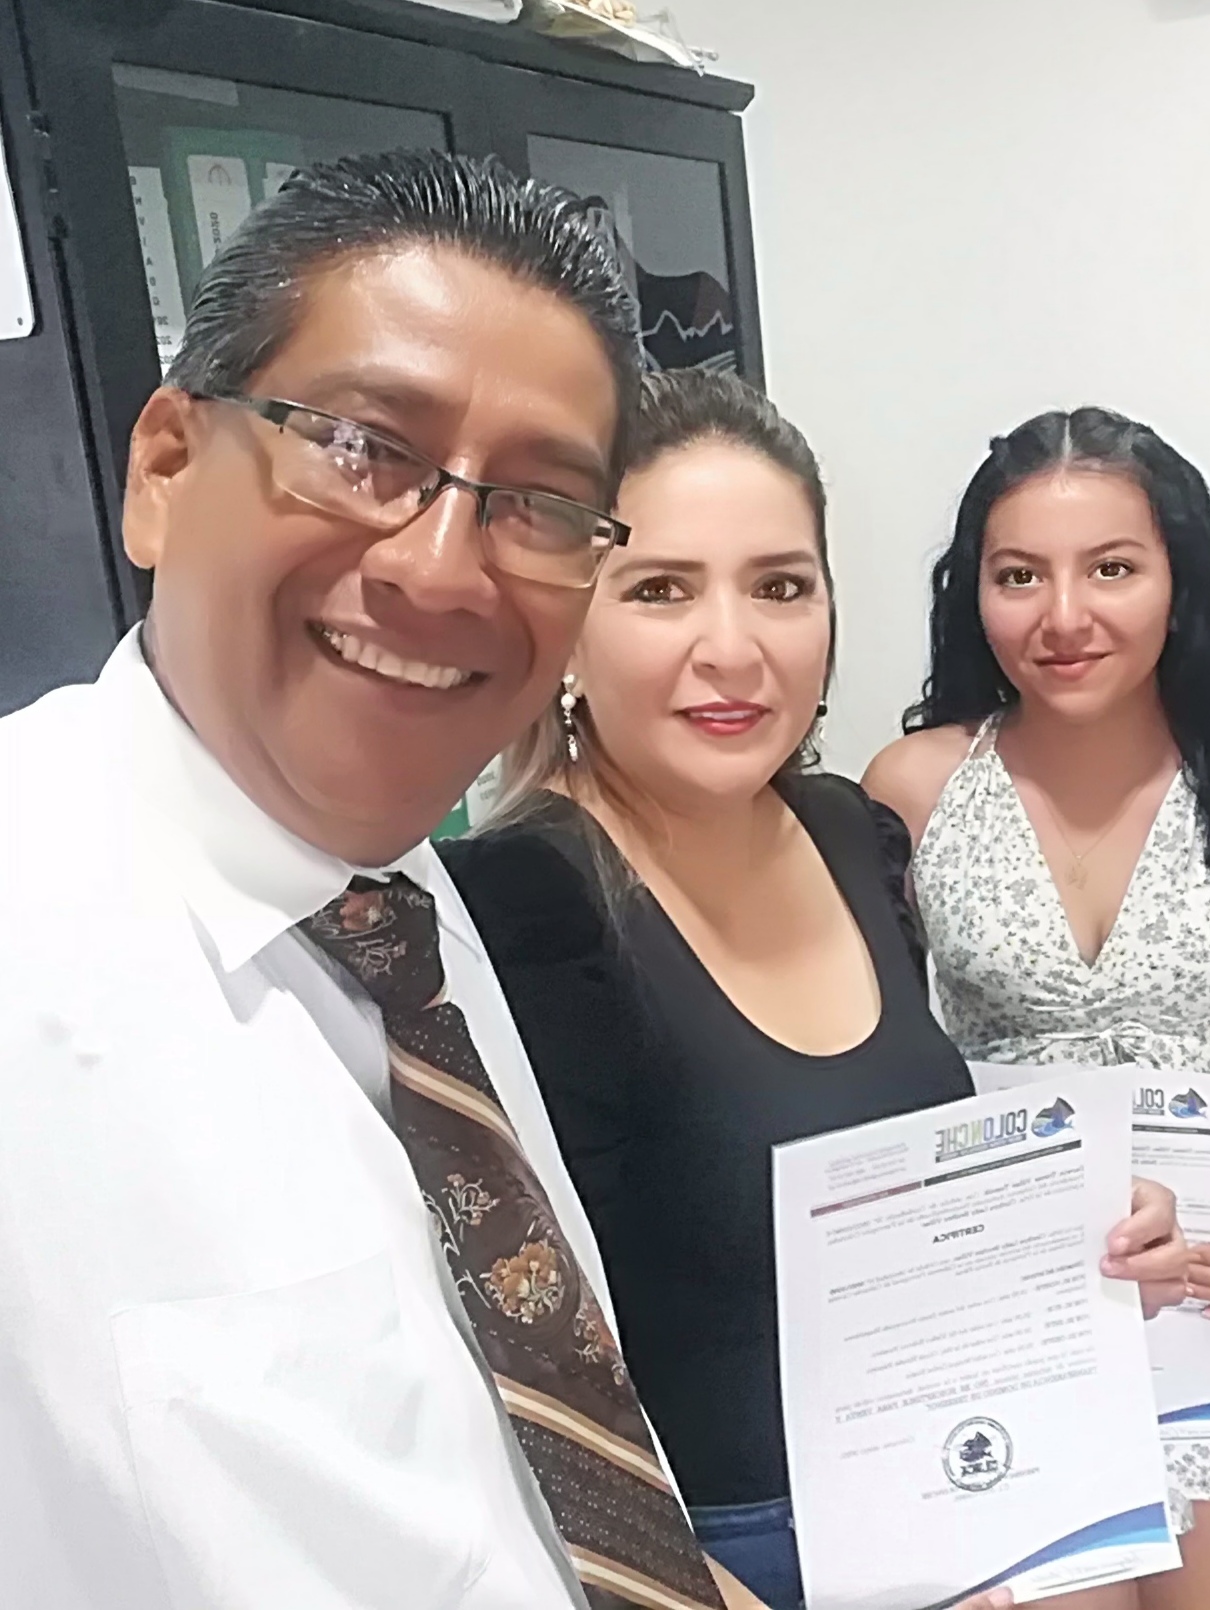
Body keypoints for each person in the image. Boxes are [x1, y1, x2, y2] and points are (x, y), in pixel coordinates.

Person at [0, 148, 921, 1610]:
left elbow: (521, 1483)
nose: (440, 569)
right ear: (164, 467)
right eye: (362, 445)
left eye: (536, 504)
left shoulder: (403, 919)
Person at [441, 371, 1189, 1610]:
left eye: (780, 586)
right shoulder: (518, 907)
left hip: (974, 1495)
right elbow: (508, 1381)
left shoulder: (852, 832)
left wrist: (1071, 1233)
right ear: (569, 622)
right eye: (661, 588)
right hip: (716, 1559)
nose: (733, 647)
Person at [865, 407, 1210, 1610]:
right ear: (975, 592)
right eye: (1020, 575)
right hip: (1013, 1281)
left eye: (1111, 567)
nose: (1064, 615)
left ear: (1180, 578)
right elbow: (878, 1056)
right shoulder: (912, 787)